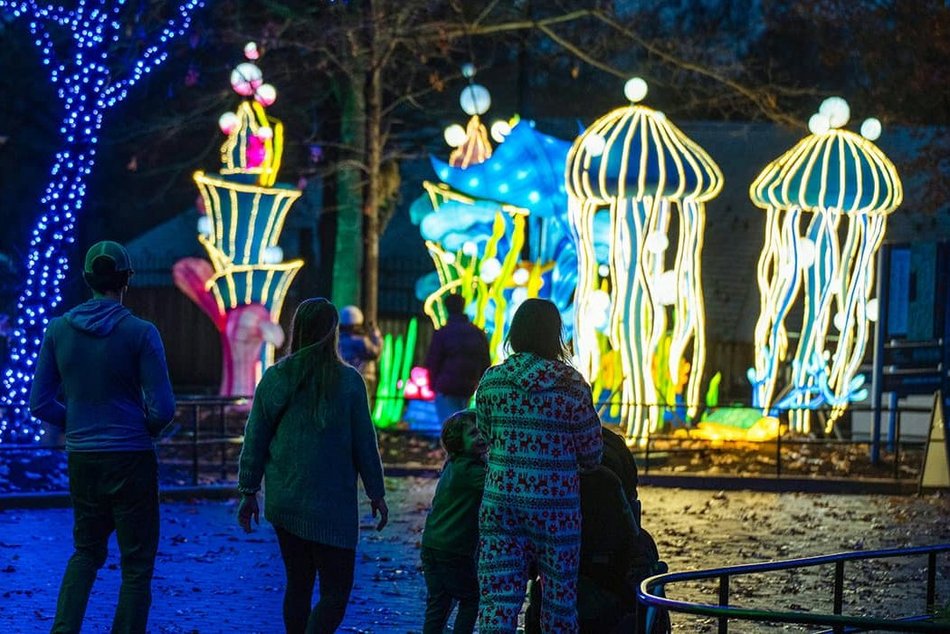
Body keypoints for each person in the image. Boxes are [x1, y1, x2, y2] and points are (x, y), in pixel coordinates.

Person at [30, 240, 175, 634]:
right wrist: (143, 428)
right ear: (126, 280)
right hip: (131, 458)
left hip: (83, 459)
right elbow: (163, 409)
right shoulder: (141, 333)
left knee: (86, 552)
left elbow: (39, 402)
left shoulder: (59, 330)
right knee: (137, 566)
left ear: (88, 279)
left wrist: (75, 422)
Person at [237, 297, 389, 634]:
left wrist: (248, 490)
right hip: (332, 505)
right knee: (336, 593)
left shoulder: (276, 378)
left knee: (298, 584)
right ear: (333, 332)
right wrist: (376, 493)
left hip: (286, 499)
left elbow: (256, 438)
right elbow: (365, 444)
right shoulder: (348, 383)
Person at [475, 298, 603, 633]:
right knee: (559, 603)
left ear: (515, 333)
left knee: (497, 603)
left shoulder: (492, 381)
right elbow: (592, 454)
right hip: (556, 510)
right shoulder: (571, 385)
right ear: (554, 335)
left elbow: (486, 435)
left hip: (500, 503)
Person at [421, 409, 487, 634]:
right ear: (458, 443)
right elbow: (501, 485)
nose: (480, 437)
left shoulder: (453, 464)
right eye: (472, 434)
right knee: (471, 599)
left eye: (482, 431)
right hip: (454, 549)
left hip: (432, 544)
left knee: (438, 603)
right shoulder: (471, 472)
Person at [424, 293, 492, 423]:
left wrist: (433, 385)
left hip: (446, 386)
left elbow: (433, 361)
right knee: (463, 425)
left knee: (448, 426)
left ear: (446, 308)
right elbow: (485, 361)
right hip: (468, 386)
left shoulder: (443, 333)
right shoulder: (477, 333)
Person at [337, 304, 382, 395]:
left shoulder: (337, 341)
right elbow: (376, 353)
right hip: (362, 378)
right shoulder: (361, 341)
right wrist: (374, 332)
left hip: (341, 379)